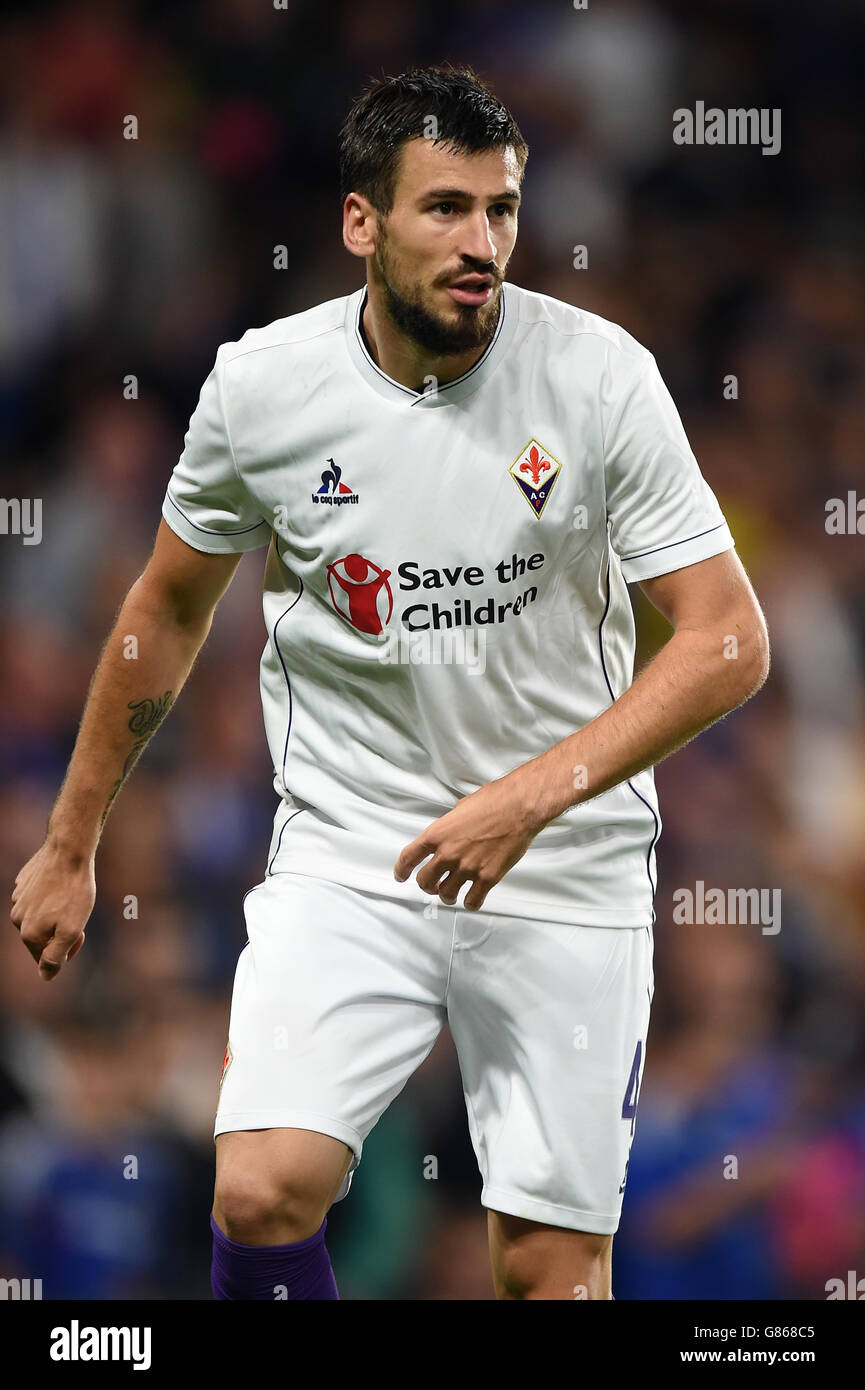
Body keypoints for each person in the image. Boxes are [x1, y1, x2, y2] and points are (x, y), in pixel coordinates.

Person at [10, 64, 770, 1300]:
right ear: (361, 222)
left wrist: (527, 799)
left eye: (502, 211)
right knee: (258, 1191)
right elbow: (166, 603)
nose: (483, 245)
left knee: (548, 1273)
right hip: (353, 846)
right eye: (445, 209)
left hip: (562, 862)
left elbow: (728, 641)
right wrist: (72, 835)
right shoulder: (264, 390)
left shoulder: (600, 378)